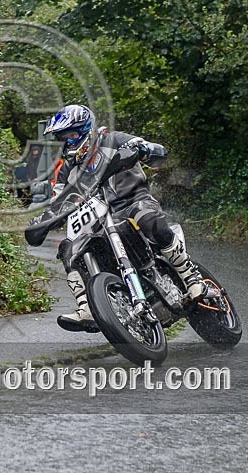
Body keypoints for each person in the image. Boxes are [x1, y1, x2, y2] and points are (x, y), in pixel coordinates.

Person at [32, 104, 211, 332]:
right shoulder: (67, 169)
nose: (68, 142)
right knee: (68, 249)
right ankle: (88, 306)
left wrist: (143, 150)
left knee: (147, 218)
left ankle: (191, 278)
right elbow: (57, 200)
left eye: (72, 135)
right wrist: (43, 220)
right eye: (63, 138)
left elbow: (155, 151)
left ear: (86, 129)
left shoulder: (112, 140)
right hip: (96, 222)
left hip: (132, 201)